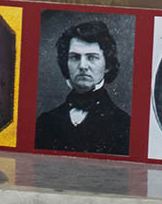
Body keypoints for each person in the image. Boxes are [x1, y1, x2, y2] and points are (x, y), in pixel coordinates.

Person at [34, 19, 130, 156]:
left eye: (92, 57)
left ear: (107, 65)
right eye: (75, 57)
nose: (83, 66)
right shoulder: (46, 121)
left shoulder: (123, 124)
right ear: (65, 63)